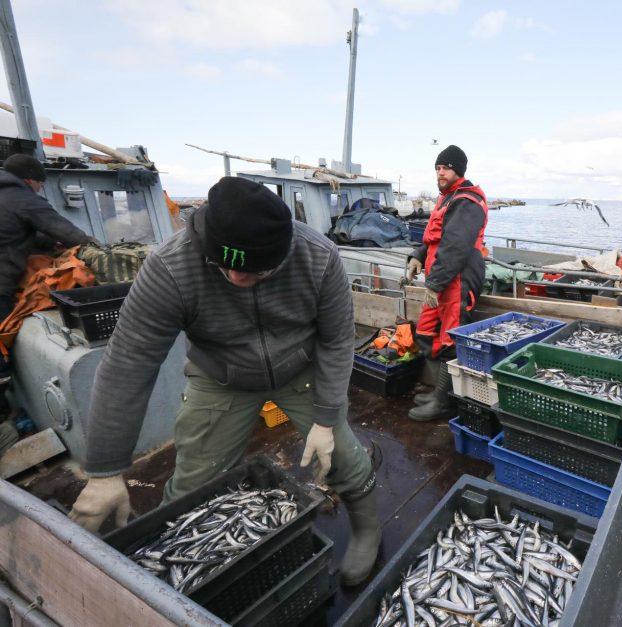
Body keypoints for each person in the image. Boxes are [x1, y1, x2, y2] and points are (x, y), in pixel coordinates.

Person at [67, 176, 381, 587]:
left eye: (256, 271)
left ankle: (368, 529)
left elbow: (338, 340)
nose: (236, 278)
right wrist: (106, 470)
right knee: (194, 478)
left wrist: (325, 419)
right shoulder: (169, 266)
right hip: (220, 377)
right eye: (224, 265)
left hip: (301, 368)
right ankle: (178, 559)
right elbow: (130, 360)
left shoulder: (318, 255)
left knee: (342, 454)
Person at [0, 153, 94, 435]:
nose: (40, 188)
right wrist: (95, 250)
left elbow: (17, 232)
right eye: (40, 183)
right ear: (30, 179)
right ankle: (6, 421)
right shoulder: (21, 197)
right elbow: (63, 229)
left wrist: (48, 244)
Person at [405, 145, 488, 422]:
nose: (440, 173)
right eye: (438, 168)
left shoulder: (467, 201)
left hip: (459, 280)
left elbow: (455, 246)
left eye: (446, 168)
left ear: (459, 170)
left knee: (451, 337)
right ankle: (439, 392)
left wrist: (435, 283)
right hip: (441, 280)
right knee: (429, 332)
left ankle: (443, 401)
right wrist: (418, 256)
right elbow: (434, 237)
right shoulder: (446, 198)